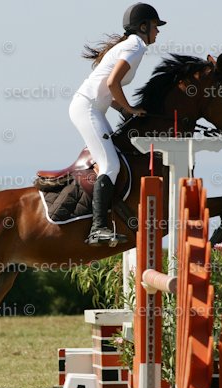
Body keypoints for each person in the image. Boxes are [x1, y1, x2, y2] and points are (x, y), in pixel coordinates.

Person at [69, 3, 166, 246]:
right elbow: (113, 83)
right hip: (87, 109)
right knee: (110, 164)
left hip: (93, 108)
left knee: (117, 156)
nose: (158, 31)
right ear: (143, 27)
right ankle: (97, 228)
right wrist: (130, 108)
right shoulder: (135, 46)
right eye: (155, 26)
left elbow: (107, 89)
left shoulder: (132, 45)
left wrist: (123, 109)